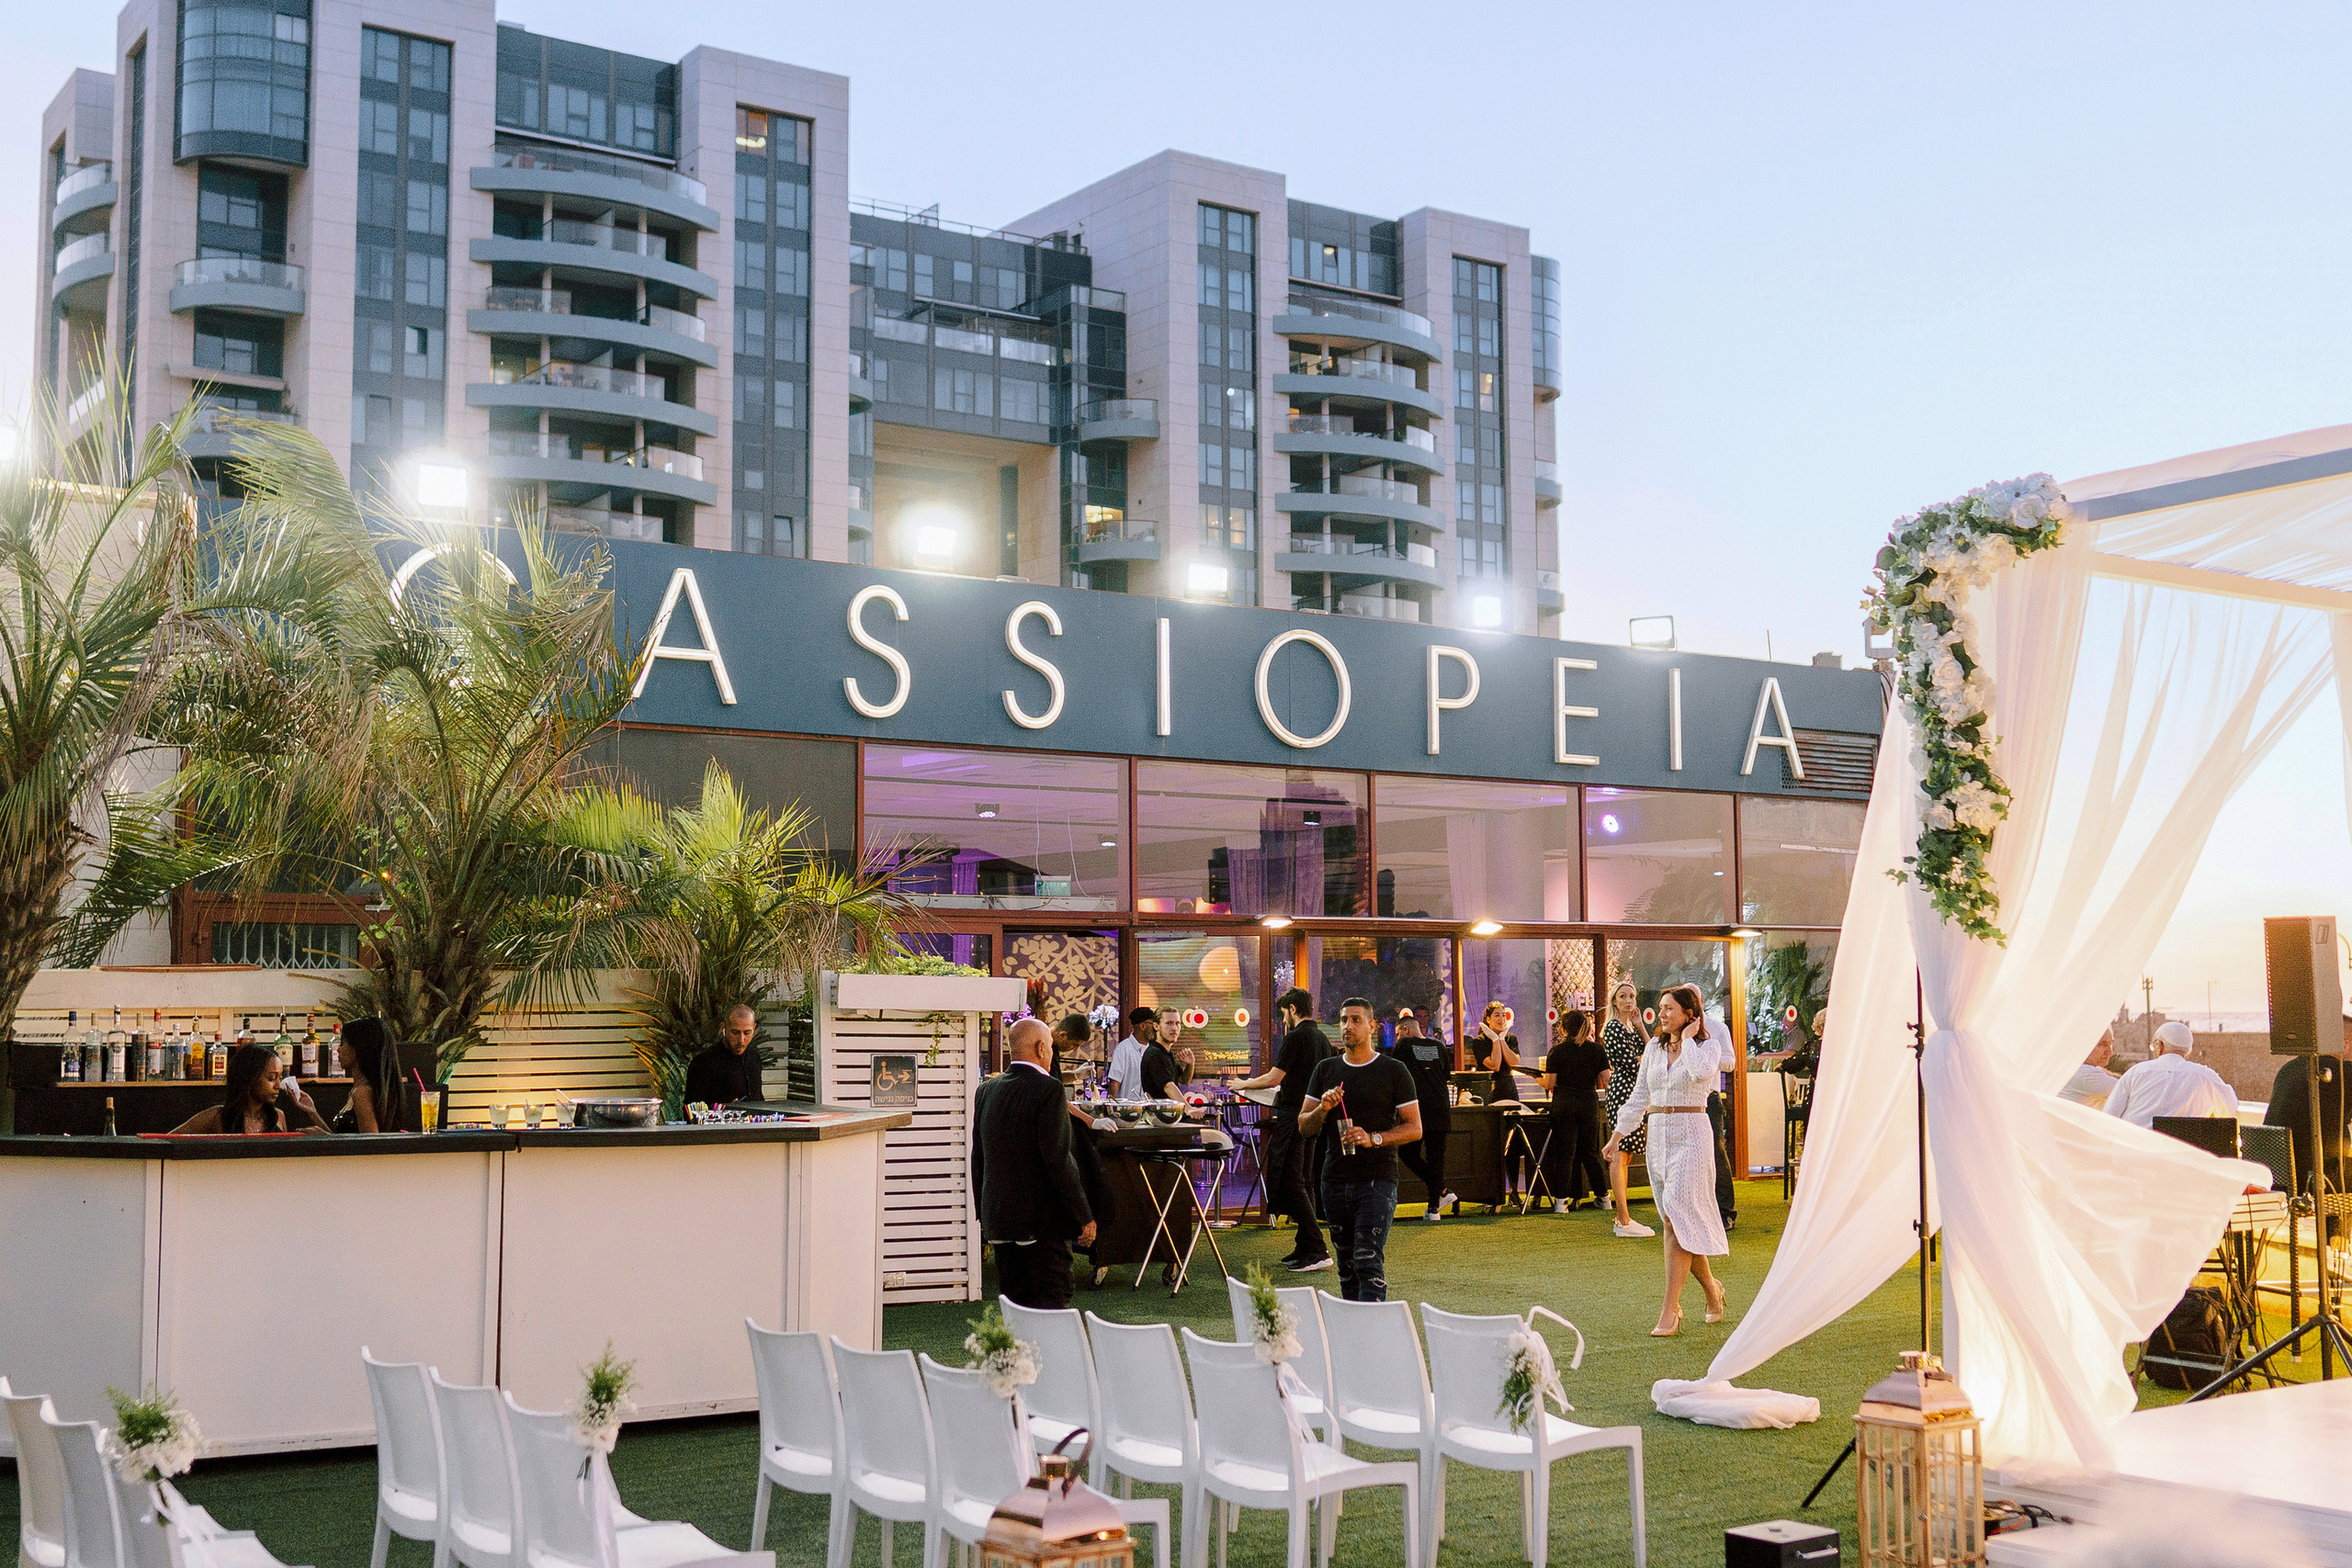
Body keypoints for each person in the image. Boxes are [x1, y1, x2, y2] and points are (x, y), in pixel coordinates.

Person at [1602, 984, 1729, 1337]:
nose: (1662, 1014)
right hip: (1659, 1135)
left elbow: (1702, 1074)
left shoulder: (1708, 1046)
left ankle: (1670, 1309)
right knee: (1676, 1220)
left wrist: (1689, 1039)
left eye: (1670, 1008)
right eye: (1661, 1008)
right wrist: (1617, 1135)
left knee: (1675, 1214)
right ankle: (1711, 1289)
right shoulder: (1653, 1049)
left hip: (1692, 1133)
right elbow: (1640, 1096)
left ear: (1690, 1014)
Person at [1297, 997, 1423, 1303]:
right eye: (1343, 1020)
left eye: (1355, 1020)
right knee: (1346, 1266)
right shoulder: (1325, 1070)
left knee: (1368, 1261)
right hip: (1334, 1180)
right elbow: (1304, 1126)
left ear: (1372, 1027)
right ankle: (1353, 1331)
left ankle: (1373, 1333)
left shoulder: (1393, 1070)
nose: (1347, 1026)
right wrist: (1323, 1109)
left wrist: (1373, 1138)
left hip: (1377, 1180)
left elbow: (1414, 1128)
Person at [971, 1017, 1097, 1309]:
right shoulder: (1049, 1089)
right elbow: (1059, 1161)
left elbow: (979, 1157)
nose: (1052, 1052)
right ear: (1042, 1048)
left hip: (998, 1219)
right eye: (1051, 1046)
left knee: (1014, 1309)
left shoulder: (986, 1091)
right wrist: (1084, 1216)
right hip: (1040, 1224)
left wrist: (984, 1212)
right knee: (1051, 1303)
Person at [1235, 987, 1333, 1272]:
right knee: (1304, 1181)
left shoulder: (1296, 1037)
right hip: (1314, 1116)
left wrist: (1243, 1084)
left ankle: (1316, 1248)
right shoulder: (1323, 1039)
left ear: (1292, 1009)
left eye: (1283, 1013)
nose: (1283, 1019)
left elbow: (1273, 1078)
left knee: (1291, 1181)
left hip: (1294, 1117)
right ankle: (1305, 1246)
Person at [2265, 1021, 2348, 1221]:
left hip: (2279, 1179)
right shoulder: (2341, 1072)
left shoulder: (2287, 1070)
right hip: (2314, 1183)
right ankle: (2338, 1240)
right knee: (2344, 1166)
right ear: (2344, 1045)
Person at [1382, 1010, 1455, 1220]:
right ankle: (1434, 1207)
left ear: (1405, 1030)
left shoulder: (1404, 1046)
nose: (1396, 1038)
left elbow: (1394, 1075)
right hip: (1441, 1108)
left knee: (1407, 1153)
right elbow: (1446, 1076)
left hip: (1417, 1110)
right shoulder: (1439, 1047)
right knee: (1436, 1159)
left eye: (1397, 1034)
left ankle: (1440, 1192)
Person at [1599, 983, 1656, 1238]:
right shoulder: (1612, 1028)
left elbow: (1653, 1052)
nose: (1629, 1001)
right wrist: (1646, 1062)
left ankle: (1623, 1217)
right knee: (1621, 1154)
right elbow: (1635, 1064)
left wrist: (1642, 1026)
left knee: (1628, 1155)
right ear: (1614, 1001)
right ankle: (1622, 1218)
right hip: (1623, 1090)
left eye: (1632, 996)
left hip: (1635, 1090)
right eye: (1623, 996)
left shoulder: (1630, 1028)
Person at [171, 1043, 330, 1134]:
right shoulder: (216, 1116)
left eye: (279, 1078)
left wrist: (312, 1112)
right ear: (248, 1077)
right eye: (271, 1078)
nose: (278, 1086)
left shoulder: (278, 1117)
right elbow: (165, 1140)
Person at [2105, 1021, 2235, 1129]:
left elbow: (2108, 1116)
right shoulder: (2206, 1076)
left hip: (2135, 1153)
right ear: (2188, 1053)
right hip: (2183, 1155)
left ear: (2160, 1046)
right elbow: (2231, 1108)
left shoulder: (2136, 1072)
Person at [1542, 1010, 1611, 1213]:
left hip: (1564, 1103)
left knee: (1565, 1153)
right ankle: (1603, 1197)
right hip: (1588, 1102)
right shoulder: (1597, 1050)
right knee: (1591, 1153)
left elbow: (1550, 1083)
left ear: (1563, 1029)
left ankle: (1561, 1202)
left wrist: (1538, 1079)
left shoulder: (1557, 1051)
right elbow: (1607, 1081)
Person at [329, 1017, 411, 1133]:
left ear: (358, 1048)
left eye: (343, 1043)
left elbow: (369, 1144)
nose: (338, 1049)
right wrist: (313, 1113)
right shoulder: (369, 1088)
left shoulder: (362, 1093)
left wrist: (323, 1135)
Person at [684, 1004, 764, 1107]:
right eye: (735, 1033)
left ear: (754, 1028)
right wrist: (723, 1110)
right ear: (724, 1028)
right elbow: (691, 1109)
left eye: (747, 1033)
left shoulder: (754, 1057)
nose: (741, 1040)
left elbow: (758, 1097)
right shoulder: (704, 1062)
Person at [1464, 1002, 1520, 1105]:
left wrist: (1502, 1039)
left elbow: (1514, 1062)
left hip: (1508, 1088)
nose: (1501, 1019)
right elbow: (1495, 1065)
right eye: (1497, 1015)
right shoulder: (1480, 1041)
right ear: (1488, 1019)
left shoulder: (1511, 1038)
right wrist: (1495, 1039)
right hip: (1489, 1089)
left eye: (1504, 1015)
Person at [1106, 1008, 1159, 1100]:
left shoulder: (1154, 1050)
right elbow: (1114, 1082)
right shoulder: (1123, 1049)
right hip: (1128, 1109)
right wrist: (1111, 1109)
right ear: (1143, 1026)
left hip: (1149, 1109)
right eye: (1153, 1024)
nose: (1155, 1029)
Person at [2058, 1028, 2118, 1110]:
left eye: (2110, 1044)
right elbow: (2133, 1089)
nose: (2109, 1052)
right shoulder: (2087, 1075)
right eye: (2103, 1044)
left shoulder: (2072, 1067)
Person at [1049, 1013, 1091, 1084]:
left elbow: (1054, 1079)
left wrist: (1076, 1075)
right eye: (1075, 1044)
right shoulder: (1041, 1046)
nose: (1075, 1049)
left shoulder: (1054, 1048)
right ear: (1062, 1035)